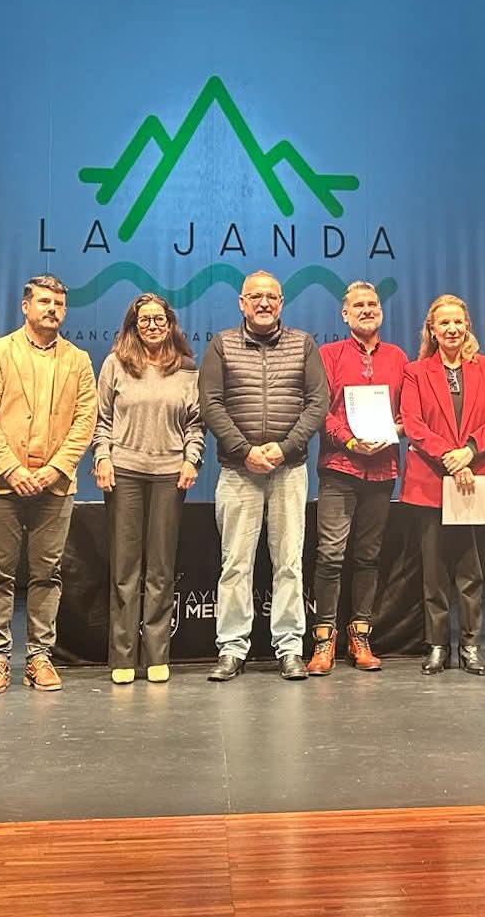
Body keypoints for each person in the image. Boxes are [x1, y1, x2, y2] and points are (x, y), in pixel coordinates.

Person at [0, 275, 97, 696]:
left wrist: (55, 469)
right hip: (1, 483)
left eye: (59, 303)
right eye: (44, 301)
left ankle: (40, 656)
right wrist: (11, 469)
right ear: (26, 306)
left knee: (47, 573)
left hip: (54, 486)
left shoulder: (78, 359)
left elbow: (85, 420)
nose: (52, 309)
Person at [198, 271, 330, 681]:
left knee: (289, 562)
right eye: (255, 296)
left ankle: (289, 647)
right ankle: (231, 648)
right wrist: (245, 451)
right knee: (235, 564)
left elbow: (317, 403)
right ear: (242, 303)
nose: (263, 303)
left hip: (289, 470)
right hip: (239, 471)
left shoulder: (303, 344)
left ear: (282, 302)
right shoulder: (221, 345)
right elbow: (210, 404)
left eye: (271, 296)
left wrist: (284, 448)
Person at [93, 292, 203, 685]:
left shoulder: (187, 369)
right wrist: (102, 458)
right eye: (144, 320)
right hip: (124, 472)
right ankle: (123, 657)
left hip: (170, 475)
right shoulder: (115, 364)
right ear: (133, 326)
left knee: (160, 568)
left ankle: (157, 655)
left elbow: (196, 424)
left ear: (170, 324)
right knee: (125, 569)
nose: (152, 326)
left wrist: (192, 460)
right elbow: (102, 420)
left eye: (159, 319)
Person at [399, 294, 485, 676]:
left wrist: (469, 452)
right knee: (434, 571)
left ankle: (470, 645)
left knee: (471, 570)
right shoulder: (415, 371)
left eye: (458, 322)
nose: (452, 329)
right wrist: (451, 456)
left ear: (467, 326)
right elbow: (413, 424)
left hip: (477, 477)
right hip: (431, 480)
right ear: (432, 329)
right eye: (444, 323)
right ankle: (437, 645)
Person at [311, 281, 407, 674]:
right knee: (330, 555)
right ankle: (323, 640)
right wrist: (350, 441)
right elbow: (319, 409)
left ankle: (360, 636)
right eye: (359, 305)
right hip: (339, 468)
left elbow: (408, 414)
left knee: (368, 556)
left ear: (381, 311)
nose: (367, 310)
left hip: (382, 469)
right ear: (344, 314)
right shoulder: (329, 355)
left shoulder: (398, 357)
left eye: (373, 304)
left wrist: (393, 431)